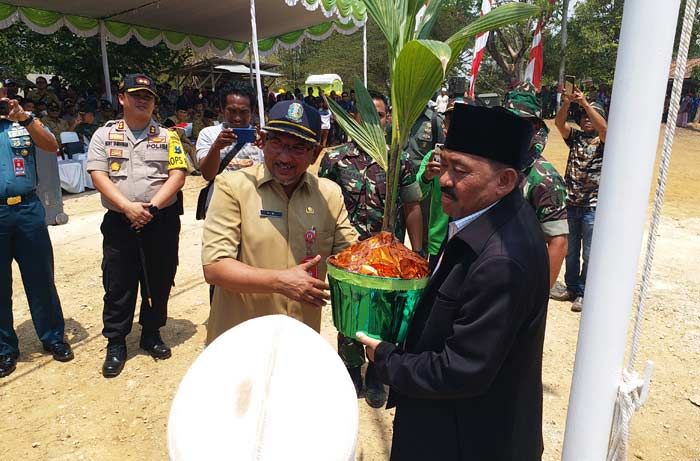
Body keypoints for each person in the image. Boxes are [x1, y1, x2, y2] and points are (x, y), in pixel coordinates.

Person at [355, 104, 549, 461]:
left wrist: (386, 359)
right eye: (444, 164)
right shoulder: (477, 215)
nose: (444, 179)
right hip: (447, 425)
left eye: (461, 171)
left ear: (504, 181)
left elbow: (462, 370)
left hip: (468, 441)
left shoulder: (502, 259)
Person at [201, 100, 357, 344]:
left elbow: (351, 258)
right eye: (277, 143)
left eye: (298, 148)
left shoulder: (329, 195)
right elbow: (216, 267)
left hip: (299, 338)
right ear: (263, 141)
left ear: (316, 153)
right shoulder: (233, 187)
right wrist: (281, 282)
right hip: (241, 338)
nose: (285, 157)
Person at [318, 92, 424, 408]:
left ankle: (378, 374)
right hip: (348, 255)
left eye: (379, 114)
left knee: (384, 317)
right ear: (355, 119)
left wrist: (418, 252)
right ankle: (351, 371)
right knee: (348, 313)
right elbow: (322, 203)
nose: (374, 120)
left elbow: (412, 205)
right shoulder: (335, 158)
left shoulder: (399, 160)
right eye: (367, 114)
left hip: (388, 259)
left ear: (387, 119)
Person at [87, 74, 188, 378]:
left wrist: (152, 207)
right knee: (118, 282)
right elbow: (98, 175)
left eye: (149, 96)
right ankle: (116, 342)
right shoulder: (104, 136)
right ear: (122, 98)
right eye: (136, 95)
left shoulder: (168, 136)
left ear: (155, 102)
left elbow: (178, 174)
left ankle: (151, 333)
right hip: (121, 220)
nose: (143, 100)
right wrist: (128, 207)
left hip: (160, 221)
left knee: (159, 278)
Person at [0, 89, 74, 378]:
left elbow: (50, 145)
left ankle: (53, 337)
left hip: (28, 209)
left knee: (41, 277)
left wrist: (25, 117)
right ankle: (5, 349)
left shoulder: (23, 121)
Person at [505, 82, 569, 289]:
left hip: (519, 278)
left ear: (536, 128)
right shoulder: (493, 164)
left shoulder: (545, 178)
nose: (514, 128)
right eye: (510, 120)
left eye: (523, 122)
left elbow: (558, 243)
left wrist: (537, 298)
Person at [550, 86, 607, 312]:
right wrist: (567, 102)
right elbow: (559, 124)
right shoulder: (576, 138)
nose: (586, 120)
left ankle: (584, 292)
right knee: (570, 250)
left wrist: (585, 103)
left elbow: (605, 129)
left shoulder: (603, 142)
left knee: (589, 252)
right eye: (583, 116)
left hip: (592, 205)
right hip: (571, 203)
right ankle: (571, 288)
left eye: (590, 116)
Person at [196, 81, 263, 184]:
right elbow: (208, 175)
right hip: (220, 196)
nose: (237, 118)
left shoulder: (262, 137)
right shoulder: (208, 134)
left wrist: (268, 148)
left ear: (252, 111)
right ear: (222, 109)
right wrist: (216, 147)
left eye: (243, 112)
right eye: (231, 111)